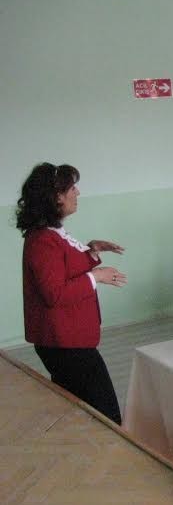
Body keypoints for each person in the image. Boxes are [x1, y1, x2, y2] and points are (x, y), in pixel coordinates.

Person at [17, 163, 127, 424]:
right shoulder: (43, 241)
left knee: (75, 408)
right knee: (106, 415)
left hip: (68, 340)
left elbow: (65, 267)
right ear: (54, 197)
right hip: (63, 343)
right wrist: (96, 277)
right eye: (70, 188)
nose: (77, 192)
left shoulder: (51, 234)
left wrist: (92, 251)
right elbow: (54, 293)